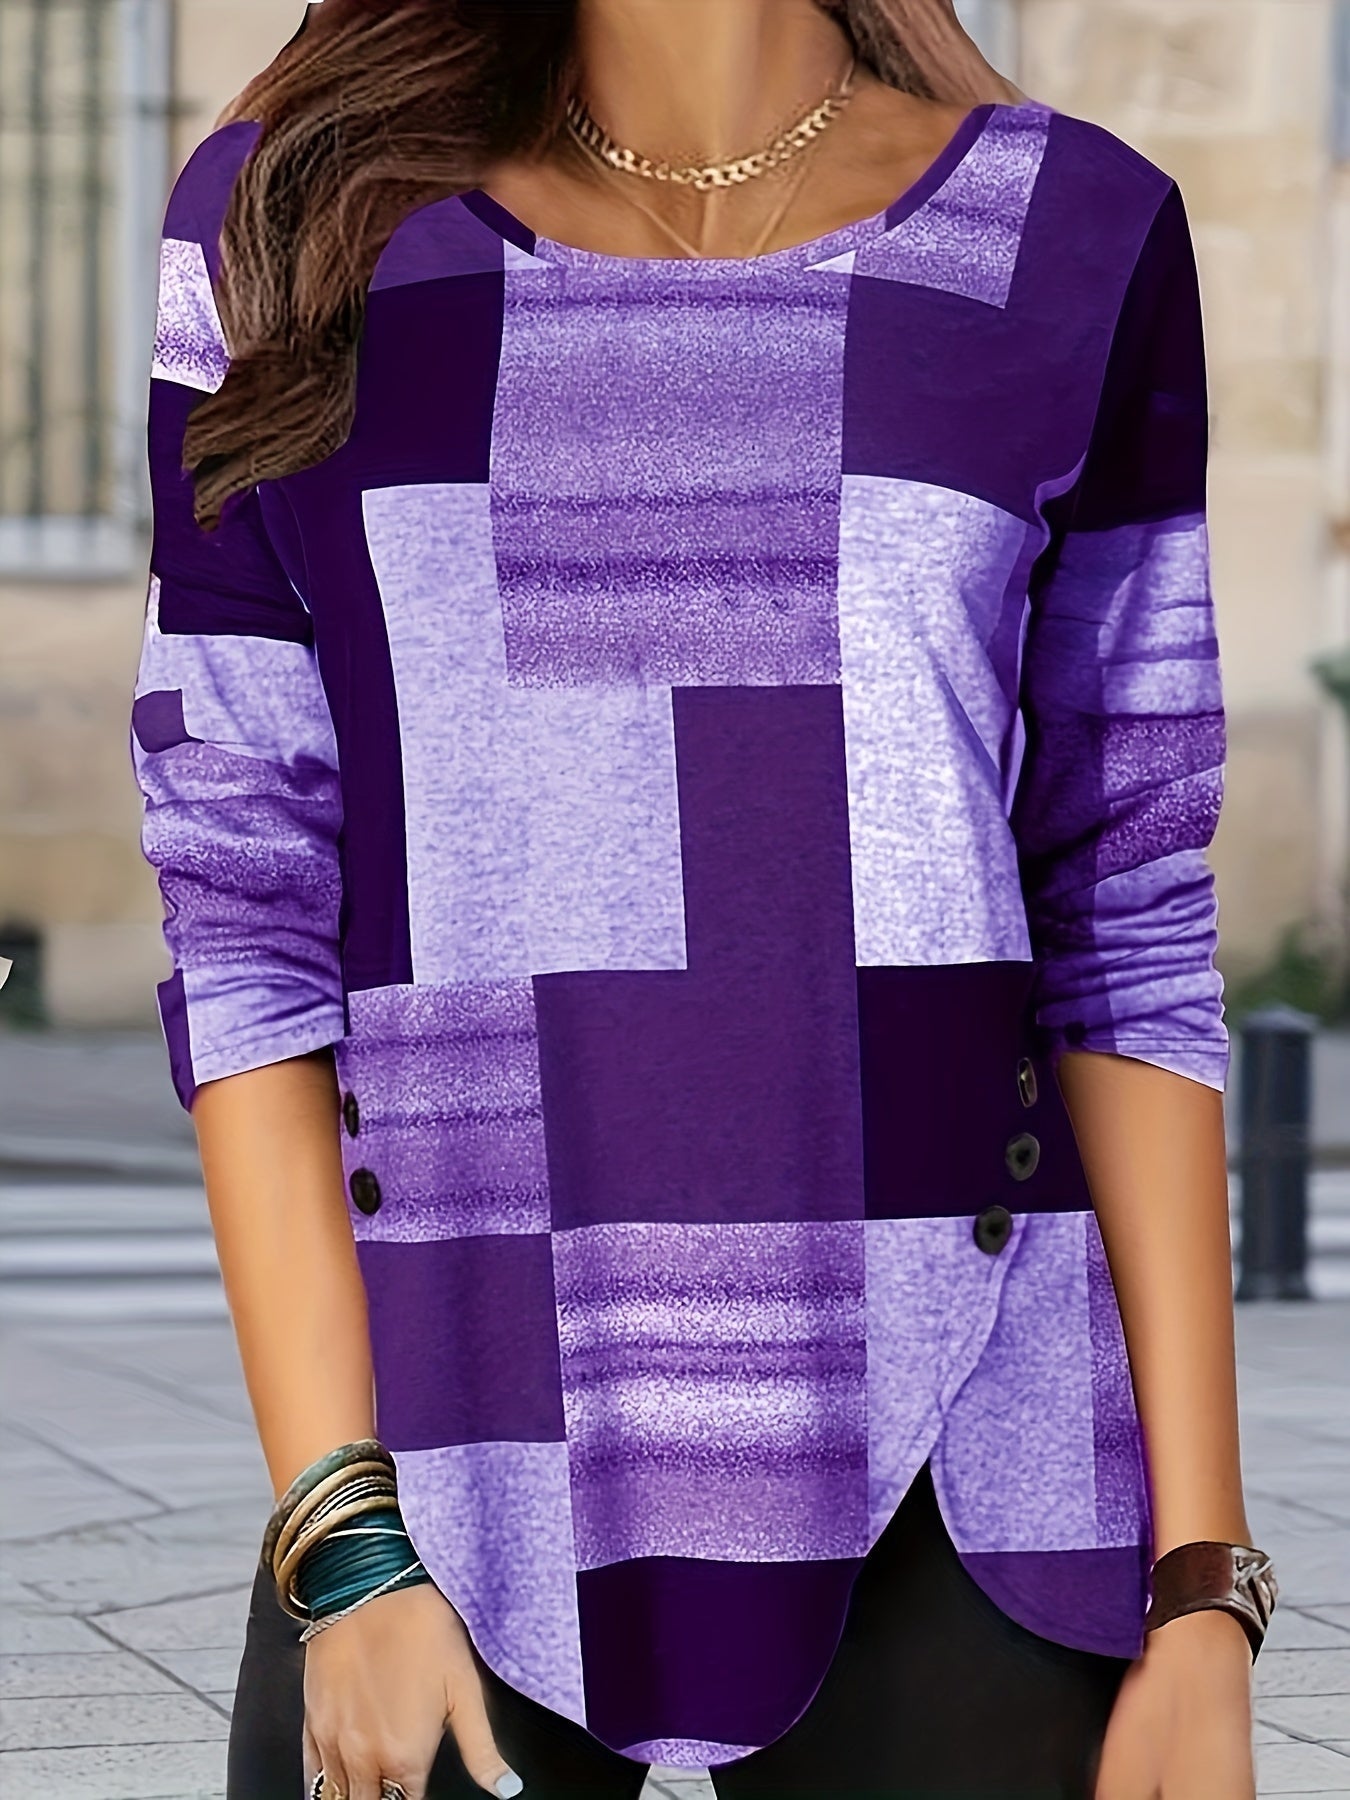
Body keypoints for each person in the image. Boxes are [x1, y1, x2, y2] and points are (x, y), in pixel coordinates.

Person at [131, 1, 1277, 1795]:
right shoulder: (292, 219)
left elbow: (1122, 912)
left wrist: (1201, 1583)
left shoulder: (1070, 235)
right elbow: (241, 908)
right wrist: (343, 1537)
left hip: (967, 1431)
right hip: (454, 1420)